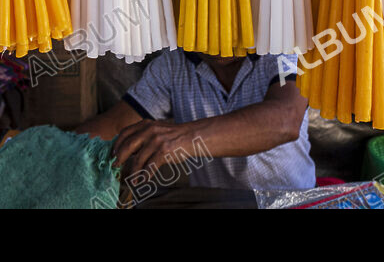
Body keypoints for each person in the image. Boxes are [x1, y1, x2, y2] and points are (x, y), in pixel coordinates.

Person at [75, 50, 315, 191]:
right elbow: (114, 127)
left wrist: (184, 138)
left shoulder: (281, 52)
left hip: (291, 202)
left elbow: (285, 120)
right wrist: (46, 149)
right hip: (214, 204)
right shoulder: (173, 64)